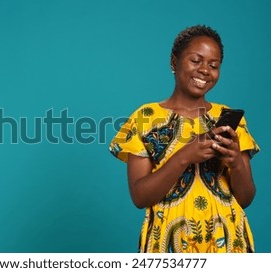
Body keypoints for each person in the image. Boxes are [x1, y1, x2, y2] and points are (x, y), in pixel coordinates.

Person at [109, 25, 260, 253]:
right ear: (174, 62)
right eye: (196, 60)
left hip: (227, 242)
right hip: (168, 244)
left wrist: (236, 162)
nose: (205, 70)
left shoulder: (228, 119)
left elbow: (246, 198)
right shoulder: (145, 118)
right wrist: (184, 156)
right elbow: (140, 197)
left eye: (213, 65)